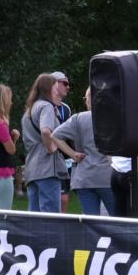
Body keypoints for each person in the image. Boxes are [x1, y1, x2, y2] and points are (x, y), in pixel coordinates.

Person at [52, 88, 116, 216]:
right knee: (117, 218)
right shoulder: (113, 118)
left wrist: (72, 154)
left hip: (84, 177)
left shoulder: (78, 119)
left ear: (88, 100)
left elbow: (55, 135)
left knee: (91, 221)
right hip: (106, 176)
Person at [21, 73, 68, 212]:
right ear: (48, 89)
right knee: (50, 215)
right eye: (55, 87)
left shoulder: (29, 110)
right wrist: (50, 147)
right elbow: (46, 131)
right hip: (47, 168)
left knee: (34, 216)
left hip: (32, 168)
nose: (56, 90)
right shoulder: (46, 106)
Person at [50, 71, 74, 212]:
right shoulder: (42, 106)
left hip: (64, 158)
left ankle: (60, 225)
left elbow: (69, 134)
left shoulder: (65, 108)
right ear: (54, 84)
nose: (67, 86)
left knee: (64, 198)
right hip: (49, 157)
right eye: (64, 83)